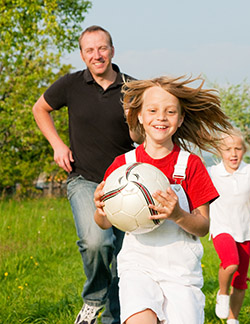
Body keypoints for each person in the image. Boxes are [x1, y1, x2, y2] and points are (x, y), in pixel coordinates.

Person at [93, 75, 233, 324]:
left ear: (179, 120)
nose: (161, 117)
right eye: (153, 110)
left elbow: (203, 227)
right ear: (139, 115)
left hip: (181, 273)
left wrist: (177, 214)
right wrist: (101, 210)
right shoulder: (122, 166)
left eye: (170, 112)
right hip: (138, 265)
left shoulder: (191, 165)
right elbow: (104, 224)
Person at [32, 25, 142, 324]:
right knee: (97, 243)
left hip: (126, 185)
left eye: (102, 48)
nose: (97, 55)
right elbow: (39, 108)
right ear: (82, 55)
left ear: (112, 51)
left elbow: (148, 131)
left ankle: (114, 317)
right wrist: (57, 145)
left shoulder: (133, 87)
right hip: (84, 178)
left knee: (124, 258)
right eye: (90, 50)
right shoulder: (70, 84)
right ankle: (94, 300)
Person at [207, 128, 250, 324]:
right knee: (231, 263)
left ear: (244, 150)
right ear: (220, 152)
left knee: (241, 281)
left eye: (238, 148)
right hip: (221, 228)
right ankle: (223, 293)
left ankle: (233, 319)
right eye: (227, 149)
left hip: (243, 231)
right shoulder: (212, 173)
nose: (233, 153)